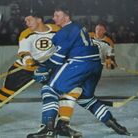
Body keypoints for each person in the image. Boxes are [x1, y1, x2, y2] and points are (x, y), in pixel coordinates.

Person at [0, 12, 60, 137]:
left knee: (61, 91)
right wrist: (27, 59)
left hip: (48, 67)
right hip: (25, 69)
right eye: (25, 21)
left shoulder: (56, 30)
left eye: (29, 20)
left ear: (39, 20)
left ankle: (61, 123)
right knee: (3, 95)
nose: (26, 23)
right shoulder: (26, 33)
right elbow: (24, 51)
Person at [26, 6, 102, 138]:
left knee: (49, 90)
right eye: (54, 15)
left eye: (57, 16)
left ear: (66, 17)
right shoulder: (78, 26)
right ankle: (62, 125)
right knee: (69, 92)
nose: (54, 18)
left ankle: (48, 129)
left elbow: (57, 59)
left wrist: (43, 68)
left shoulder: (65, 32)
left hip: (79, 65)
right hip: (91, 66)